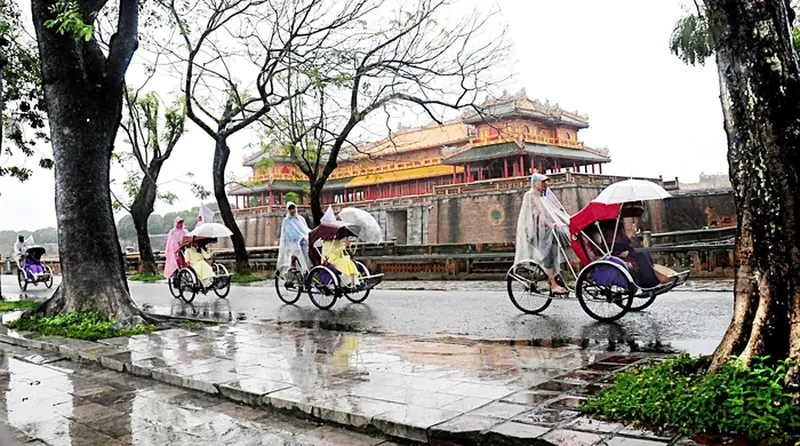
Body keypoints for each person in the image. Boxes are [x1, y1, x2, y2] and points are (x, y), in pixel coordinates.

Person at [515, 173, 578, 295]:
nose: (545, 185)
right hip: (535, 233)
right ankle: (553, 284)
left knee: (558, 248)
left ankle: (561, 277)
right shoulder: (530, 196)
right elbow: (537, 214)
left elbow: (553, 211)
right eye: (542, 182)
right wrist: (550, 224)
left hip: (546, 231)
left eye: (545, 182)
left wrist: (565, 221)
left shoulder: (543, 197)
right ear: (534, 183)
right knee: (548, 255)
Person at [276, 202, 311, 278]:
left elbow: (305, 229)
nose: (292, 210)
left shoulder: (301, 219)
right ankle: (304, 272)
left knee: (308, 256)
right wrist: (299, 238)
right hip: (293, 243)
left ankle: (306, 273)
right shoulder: (286, 220)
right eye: (290, 209)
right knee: (299, 256)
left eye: (293, 208)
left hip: (303, 242)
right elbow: (289, 233)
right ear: (288, 210)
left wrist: (307, 236)